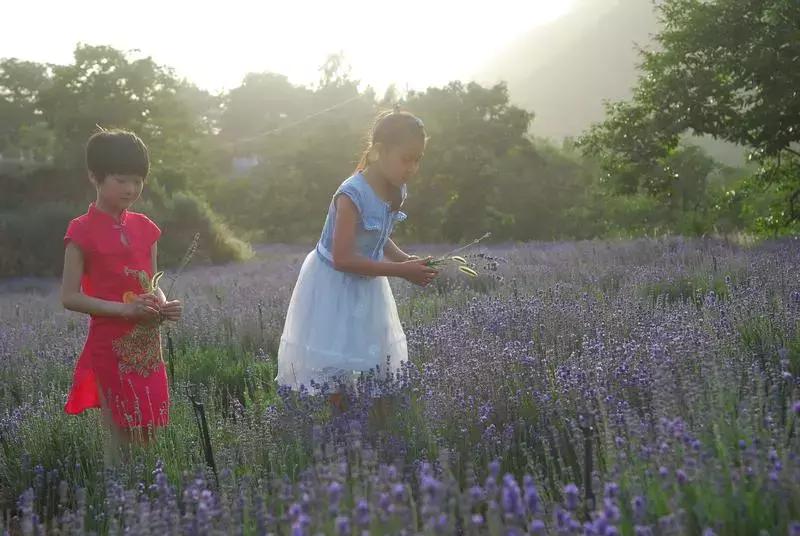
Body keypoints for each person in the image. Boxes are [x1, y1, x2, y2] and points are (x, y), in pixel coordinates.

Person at [275, 109, 437, 408]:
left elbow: (378, 234)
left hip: (367, 280)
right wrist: (402, 271)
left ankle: (370, 422)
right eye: (406, 159)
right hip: (333, 284)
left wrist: (404, 259)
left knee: (370, 355)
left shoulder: (395, 189)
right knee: (336, 361)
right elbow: (342, 258)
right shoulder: (351, 194)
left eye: (418, 159)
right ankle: (341, 423)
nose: (413, 168)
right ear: (380, 151)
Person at [60, 128, 182, 447]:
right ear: (94, 176)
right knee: (120, 432)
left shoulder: (145, 228)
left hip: (147, 343)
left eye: (138, 180)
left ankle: (148, 480)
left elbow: (151, 283)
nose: (131, 188)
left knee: (150, 430)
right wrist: (125, 310)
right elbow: (69, 296)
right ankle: (119, 480)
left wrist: (163, 305)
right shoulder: (81, 231)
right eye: (121, 180)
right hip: (111, 344)